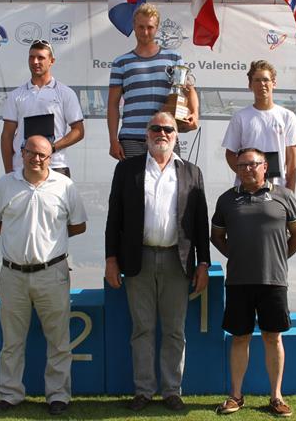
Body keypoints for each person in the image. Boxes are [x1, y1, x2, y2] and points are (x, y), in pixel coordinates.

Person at [105, 111, 210, 412]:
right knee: (142, 329)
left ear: (176, 136)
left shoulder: (192, 172)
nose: (161, 133)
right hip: (138, 260)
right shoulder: (127, 170)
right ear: (146, 134)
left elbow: (200, 223)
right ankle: (143, 390)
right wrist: (111, 259)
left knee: (175, 329)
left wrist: (203, 263)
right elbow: (115, 218)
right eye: (156, 128)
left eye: (168, 129)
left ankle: (171, 390)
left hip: (177, 261)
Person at [0, 135, 87, 416]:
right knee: (12, 340)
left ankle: (58, 395)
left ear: (51, 157)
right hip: (13, 274)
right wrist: (18, 239)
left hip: (52, 272)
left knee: (58, 339)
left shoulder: (64, 186)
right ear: (22, 152)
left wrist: (48, 240)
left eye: (43, 154)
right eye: (31, 152)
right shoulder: (5, 185)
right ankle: (9, 393)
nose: (36, 158)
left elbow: (78, 225)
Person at [210, 148, 296, 417]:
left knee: (272, 337)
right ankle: (235, 396)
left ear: (265, 166)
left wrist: (279, 256)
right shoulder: (227, 200)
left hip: (273, 281)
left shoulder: (284, 196)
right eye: (241, 166)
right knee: (239, 338)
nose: (246, 170)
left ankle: (276, 397)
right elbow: (216, 236)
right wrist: (237, 254)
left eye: (252, 164)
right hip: (239, 281)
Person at [107, 3, 199, 160]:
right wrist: (113, 140)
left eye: (150, 27)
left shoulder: (173, 58)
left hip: (165, 134)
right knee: (133, 185)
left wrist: (195, 114)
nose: (145, 32)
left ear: (157, 28)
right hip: (131, 137)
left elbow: (189, 90)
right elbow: (113, 105)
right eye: (141, 27)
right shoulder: (121, 62)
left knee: (169, 184)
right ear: (134, 26)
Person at [1, 39, 84, 178]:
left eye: (41, 57)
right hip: (21, 167)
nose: (35, 62)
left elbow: (79, 131)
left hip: (56, 166)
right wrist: (9, 172)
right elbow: (7, 135)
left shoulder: (66, 93)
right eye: (32, 57)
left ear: (51, 61)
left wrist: (51, 148)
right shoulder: (16, 95)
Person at [221, 60, 296, 191]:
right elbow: (230, 154)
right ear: (250, 85)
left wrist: (290, 191)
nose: (262, 84)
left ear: (274, 83)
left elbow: (292, 157)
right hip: (246, 190)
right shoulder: (240, 117)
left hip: (278, 189)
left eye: (266, 80)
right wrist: (247, 175)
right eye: (257, 80)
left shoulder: (287, 116)